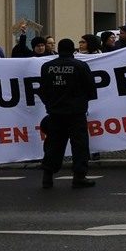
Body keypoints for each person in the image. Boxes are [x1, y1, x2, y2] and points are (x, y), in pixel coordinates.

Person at [37, 39, 98, 189]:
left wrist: (50, 104)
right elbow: (91, 90)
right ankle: (79, 176)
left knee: (53, 144)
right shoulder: (81, 66)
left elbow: (43, 90)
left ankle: (47, 176)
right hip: (76, 112)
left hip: (55, 112)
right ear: (72, 50)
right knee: (79, 145)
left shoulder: (47, 67)